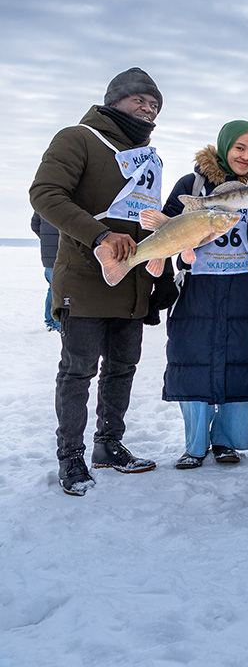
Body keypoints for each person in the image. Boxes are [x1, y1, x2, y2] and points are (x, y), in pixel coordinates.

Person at [29, 67, 164, 495]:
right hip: (85, 279)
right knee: (78, 371)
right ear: (114, 100)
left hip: (132, 281)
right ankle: (71, 456)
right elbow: (45, 194)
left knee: (122, 368)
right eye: (139, 100)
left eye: (154, 104)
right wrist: (101, 236)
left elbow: (143, 217)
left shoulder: (147, 158)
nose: (148, 109)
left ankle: (108, 444)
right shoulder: (79, 138)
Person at [162, 121, 248, 469]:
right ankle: (194, 444)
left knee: (240, 361)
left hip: (244, 287)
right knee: (193, 361)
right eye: (239, 147)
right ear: (224, 146)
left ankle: (227, 441)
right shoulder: (192, 184)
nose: (246, 156)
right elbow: (167, 229)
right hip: (198, 287)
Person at [31, 212, 61, 331]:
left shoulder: (41, 207)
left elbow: (34, 225)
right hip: (59, 254)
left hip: (48, 255)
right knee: (58, 289)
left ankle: (50, 321)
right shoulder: (65, 205)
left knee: (53, 288)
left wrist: (45, 238)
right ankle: (56, 323)